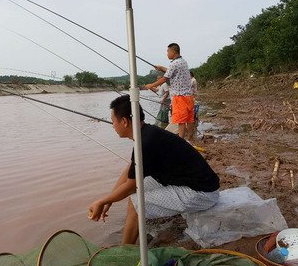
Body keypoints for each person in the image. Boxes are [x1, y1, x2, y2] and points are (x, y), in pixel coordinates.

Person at [88, 95, 220, 244]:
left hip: (202, 193)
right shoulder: (147, 133)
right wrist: (109, 200)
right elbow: (130, 170)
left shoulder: (145, 143)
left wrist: (101, 201)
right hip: (192, 183)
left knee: (136, 203)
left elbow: (130, 186)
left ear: (124, 121)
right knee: (137, 193)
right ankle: (135, 233)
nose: (112, 126)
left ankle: (124, 251)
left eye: (113, 121)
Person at [145, 43, 194, 141]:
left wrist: (151, 85)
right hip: (189, 96)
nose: (167, 54)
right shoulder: (183, 62)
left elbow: (164, 79)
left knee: (181, 121)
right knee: (189, 119)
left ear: (173, 52)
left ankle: (181, 142)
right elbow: (171, 71)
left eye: (168, 51)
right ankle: (191, 139)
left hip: (179, 97)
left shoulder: (174, 63)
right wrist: (161, 68)